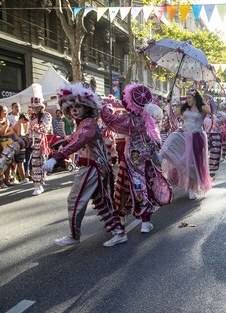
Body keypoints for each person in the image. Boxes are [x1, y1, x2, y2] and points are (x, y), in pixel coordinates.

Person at [42, 82, 126, 247]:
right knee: (102, 201)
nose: (74, 109)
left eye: (78, 105)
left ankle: (74, 236)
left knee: (74, 200)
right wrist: (60, 142)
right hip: (96, 167)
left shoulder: (88, 124)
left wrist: (56, 158)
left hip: (92, 167)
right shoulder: (83, 123)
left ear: (87, 107)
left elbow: (78, 141)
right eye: (71, 106)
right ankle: (118, 232)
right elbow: (73, 138)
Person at [101, 84, 172, 234]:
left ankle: (143, 221)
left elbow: (109, 119)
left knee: (139, 186)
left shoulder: (130, 120)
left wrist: (105, 105)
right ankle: (145, 219)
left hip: (134, 157)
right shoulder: (148, 116)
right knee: (150, 181)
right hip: (150, 152)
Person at [160, 88, 212, 200]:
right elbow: (172, 115)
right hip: (184, 135)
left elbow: (210, 110)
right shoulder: (184, 109)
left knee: (193, 164)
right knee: (173, 137)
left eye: (189, 97)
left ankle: (193, 188)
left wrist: (203, 103)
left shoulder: (201, 108)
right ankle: (161, 154)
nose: (187, 99)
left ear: (195, 98)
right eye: (186, 97)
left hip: (196, 138)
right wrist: (169, 102)